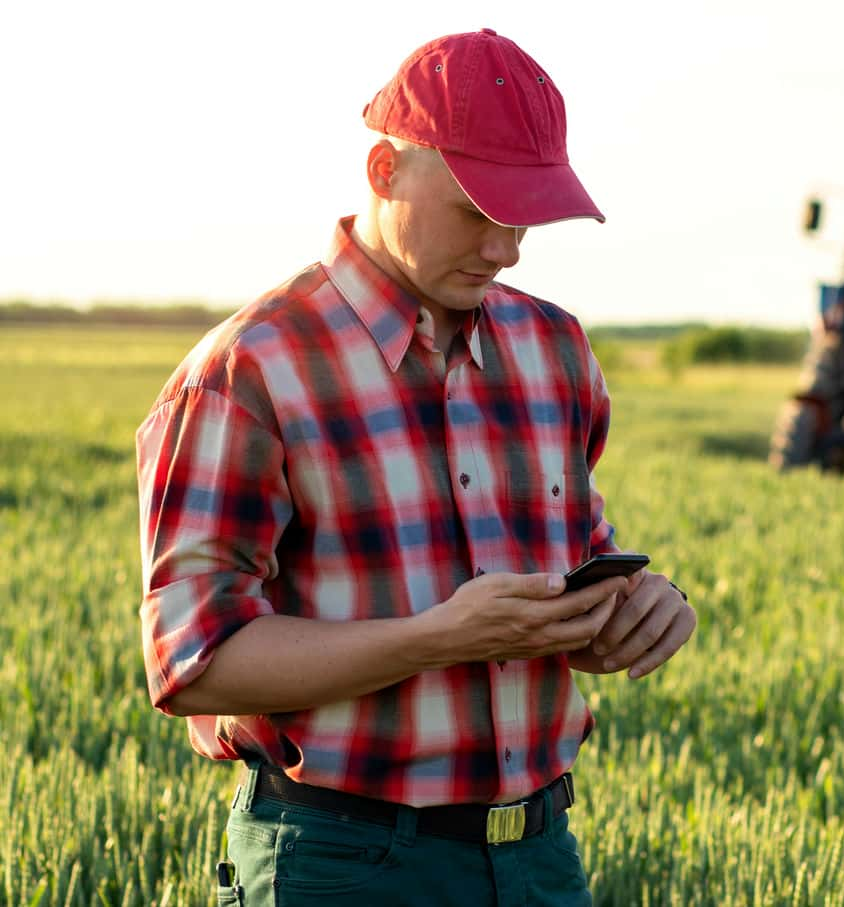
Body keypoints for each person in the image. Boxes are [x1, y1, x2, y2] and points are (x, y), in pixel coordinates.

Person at [135, 29, 696, 906]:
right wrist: (436, 637)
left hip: (541, 856)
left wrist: (627, 611)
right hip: (339, 861)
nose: (505, 247)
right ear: (384, 170)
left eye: (523, 217)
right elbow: (194, 662)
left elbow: (569, 571)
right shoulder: (250, 368)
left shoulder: (556, 347)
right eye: (477, 211)